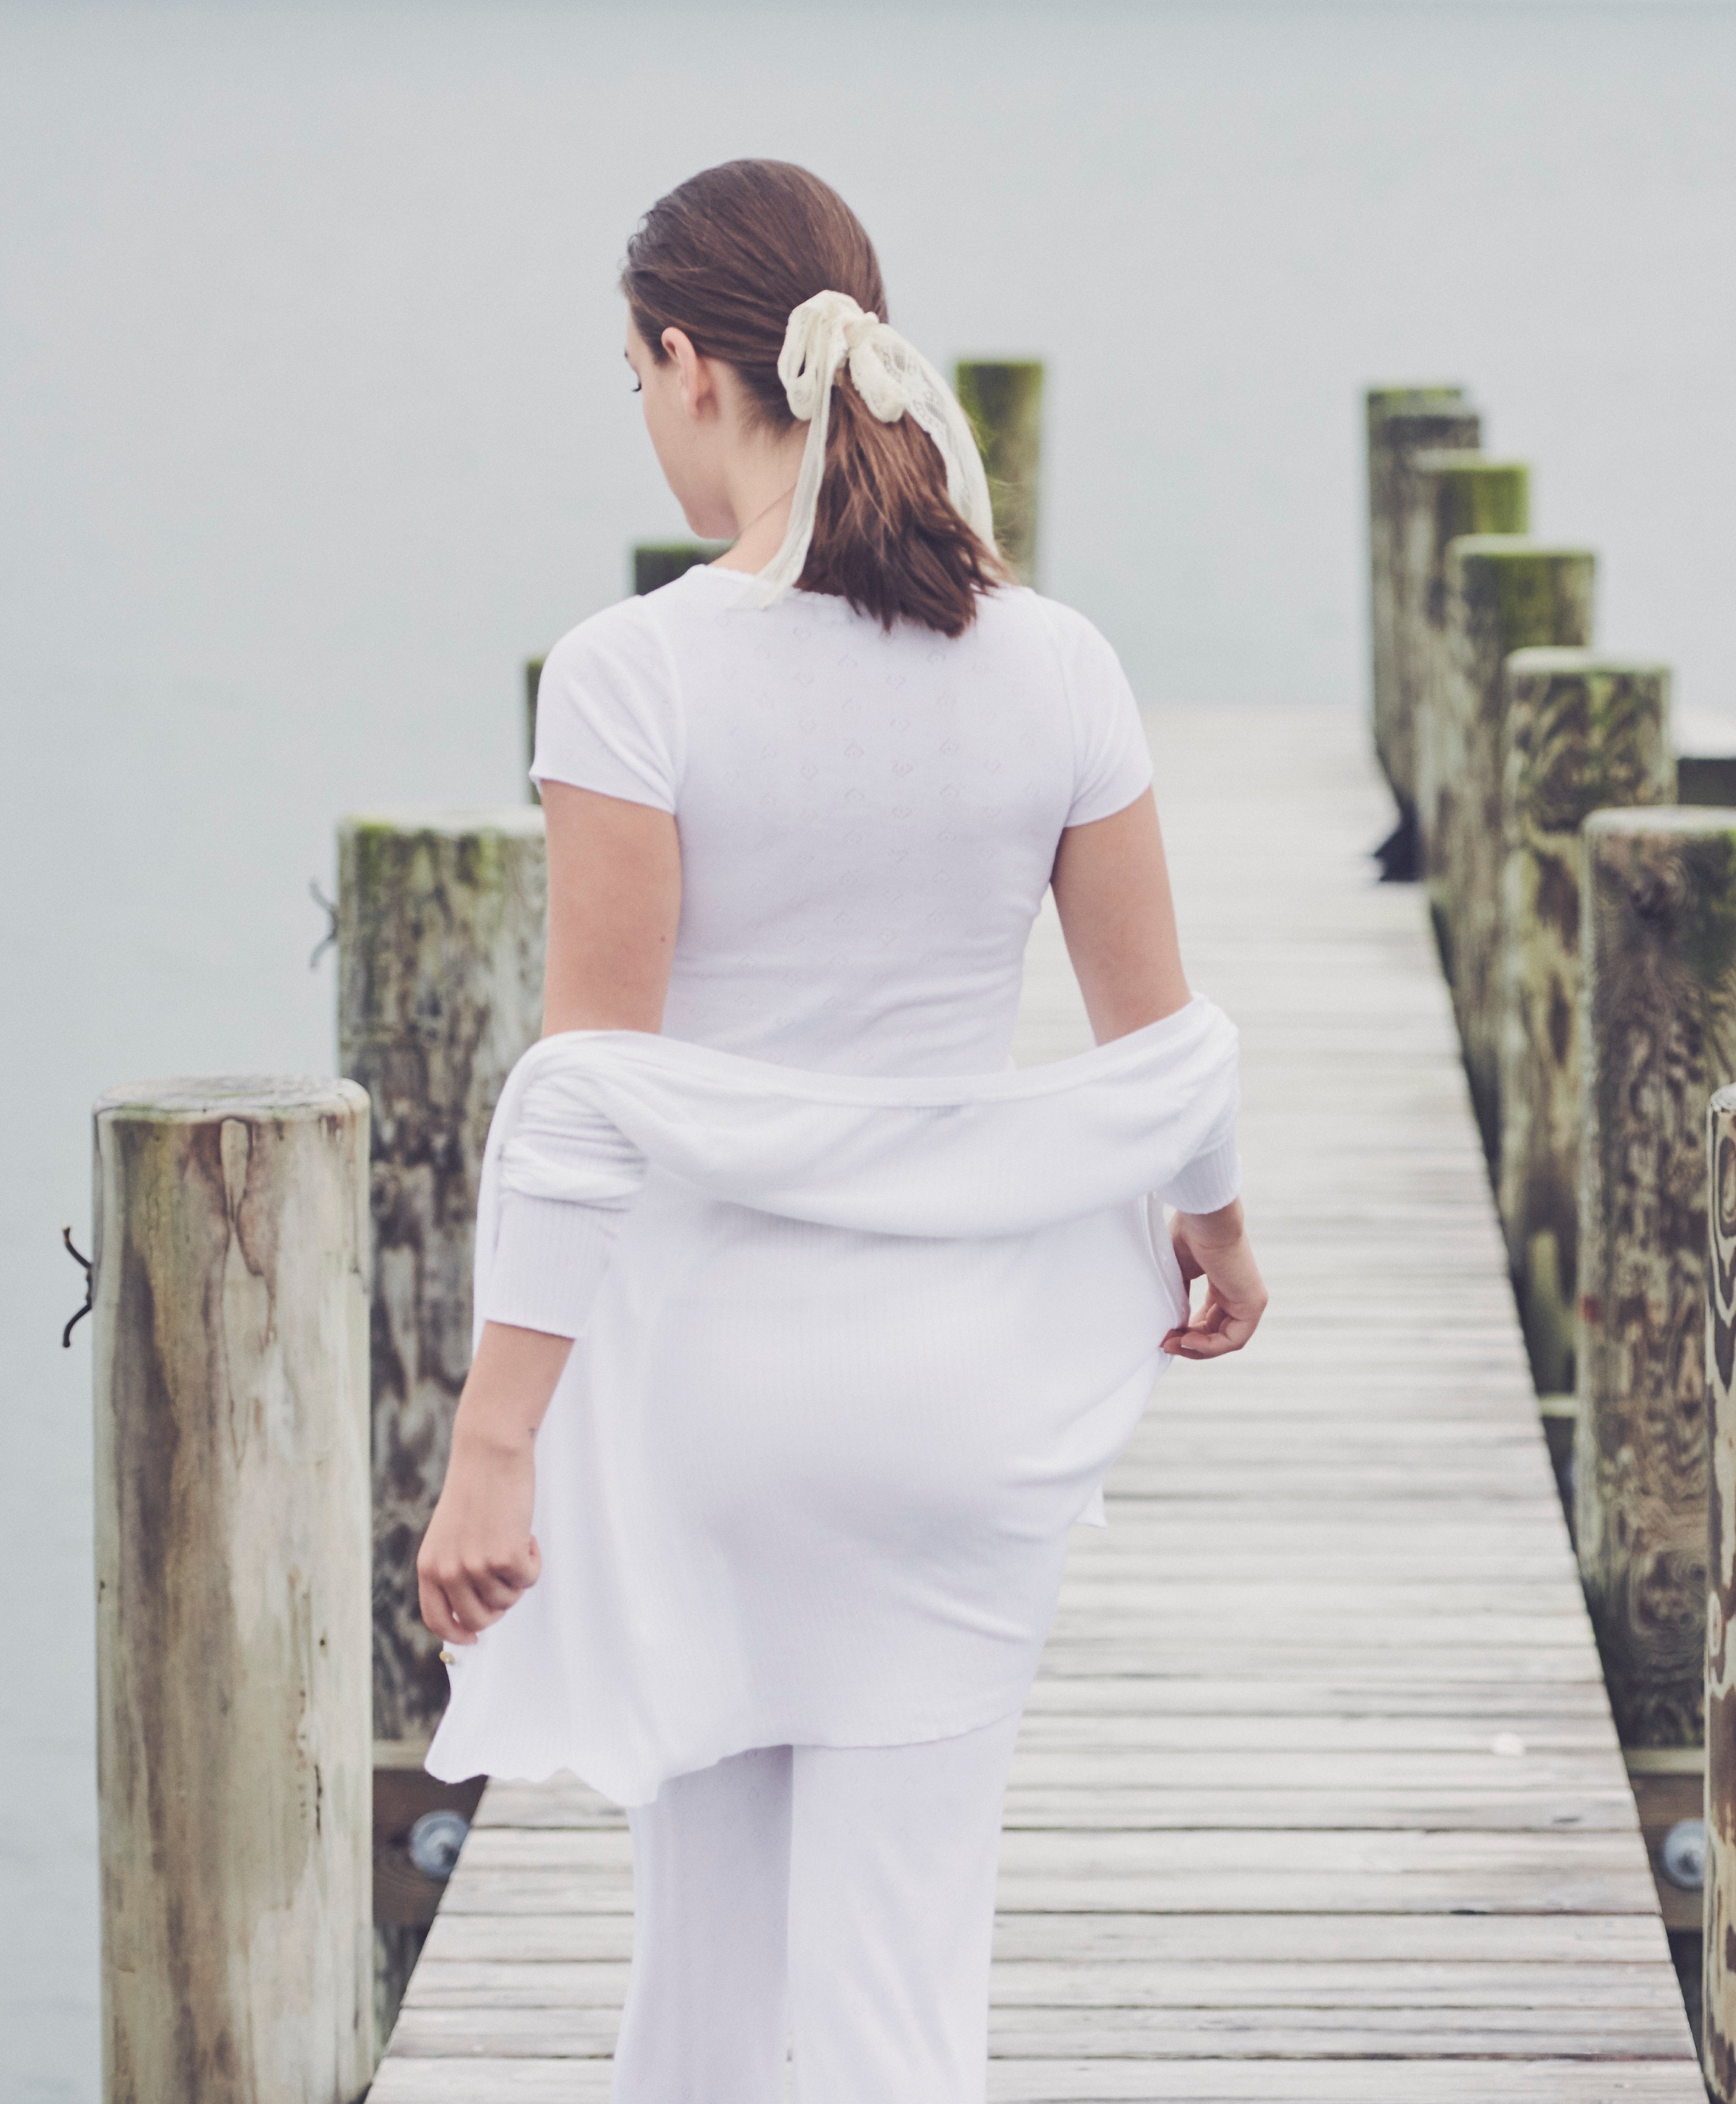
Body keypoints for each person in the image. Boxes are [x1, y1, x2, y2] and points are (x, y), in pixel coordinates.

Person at [410, 157, 1266, 2102]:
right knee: (897, 1998)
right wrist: (1211, 1224)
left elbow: (586, 1101)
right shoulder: (1057, 664)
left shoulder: (629, 678)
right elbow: (1164, 1046)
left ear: (694, 368)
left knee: (698, 1990)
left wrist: (494, 1446)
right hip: (955, 1404)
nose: (642, 410)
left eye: (632, 372)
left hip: (714, 1400)